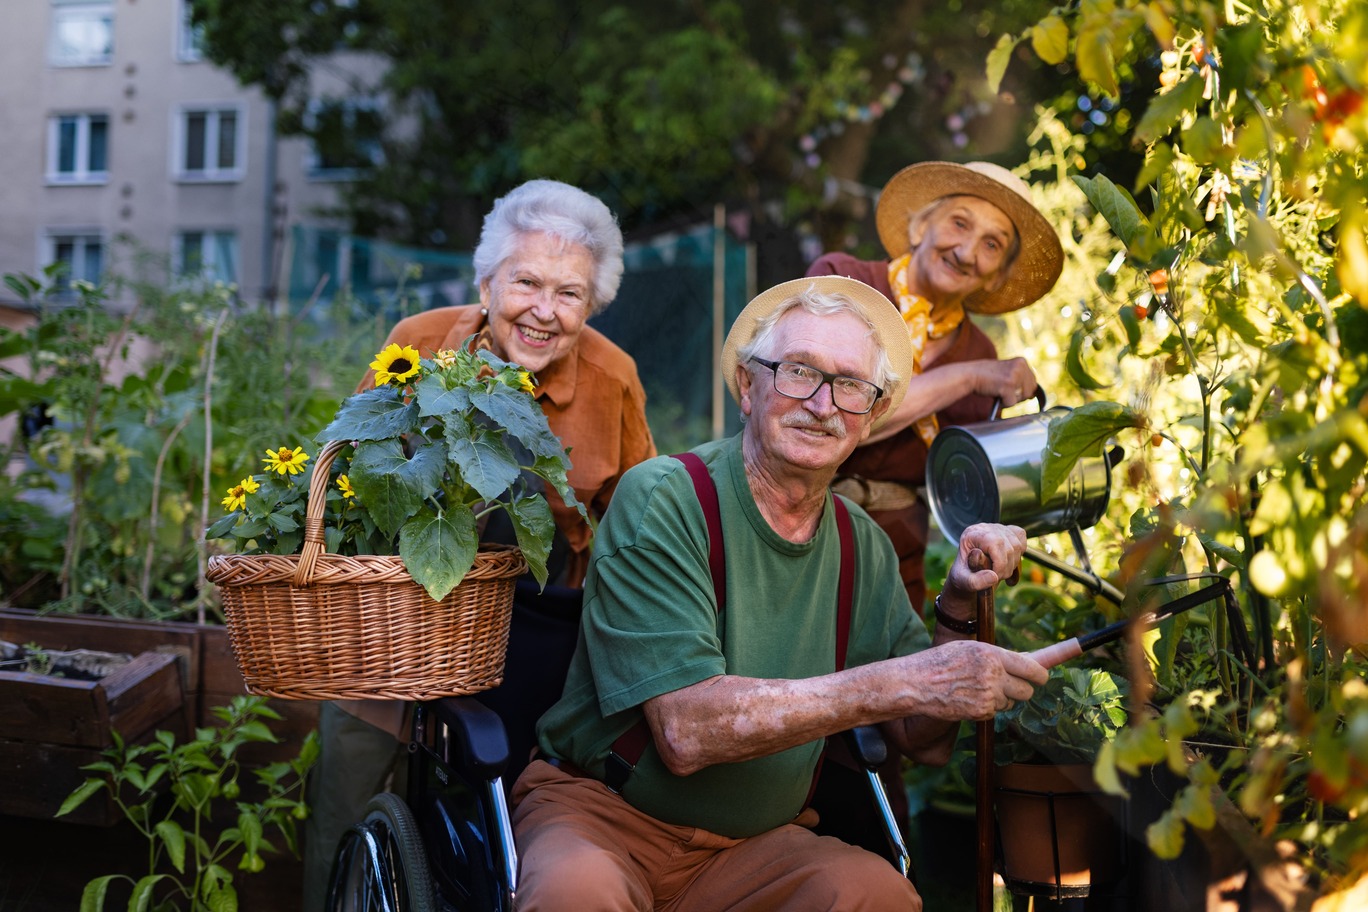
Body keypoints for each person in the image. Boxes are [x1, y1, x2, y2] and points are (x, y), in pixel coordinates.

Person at [510, 275, 1048, 911]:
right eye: (798, 371)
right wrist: (901, 681)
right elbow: (686, 732)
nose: (822, 404)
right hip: (605, 817)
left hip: (755, 848)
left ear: (871, 414)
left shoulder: (863, 547)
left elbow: (924, 739)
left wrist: (958, 602)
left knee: (879, 895)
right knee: (579, 895)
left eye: (850, 386)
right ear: (747, 385)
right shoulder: (666, 499)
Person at [303, 179, 657, 909]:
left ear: (592, 305)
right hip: (394, 616)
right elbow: (350, 465)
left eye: (570, 294)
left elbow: (638, 526)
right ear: (488, 280)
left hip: (530, 641)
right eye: (526, 281)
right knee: (346, 789)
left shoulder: (612, 377)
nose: (544, 311)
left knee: (508, 831)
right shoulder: (419, 342)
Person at [806, 160, 1064, 614]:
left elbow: (971, 489)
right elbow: (837, 412)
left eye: (991, 245)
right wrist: (969, 377)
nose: (966, 252)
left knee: (889, 673)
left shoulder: (978, 348)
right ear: (921, 225)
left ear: (996, 274)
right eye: (958, 224)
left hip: (892, 553)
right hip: (799, 520)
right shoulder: (845, 282)